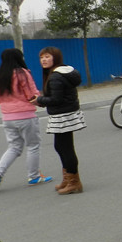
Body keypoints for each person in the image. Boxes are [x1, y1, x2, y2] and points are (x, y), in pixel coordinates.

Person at [0, 48, 53, 191]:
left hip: (7, 118)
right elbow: (31, 94)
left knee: (14, 147)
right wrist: (41, 102)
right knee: (33, 146)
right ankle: (34, 176)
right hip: (25, 116)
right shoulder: (23, 73)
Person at [32, 47, 86, 195]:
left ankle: (74, 182)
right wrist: (42, 101)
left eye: (47, 57)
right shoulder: (61, 72)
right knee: (61, 147)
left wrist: (39, 100)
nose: (43, 60)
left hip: (63, 116)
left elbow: (56, 99)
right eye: (41, 57)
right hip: (64, 113)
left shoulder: (56, 76)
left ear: (55, 58)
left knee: (65, 148)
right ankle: (68, 178)